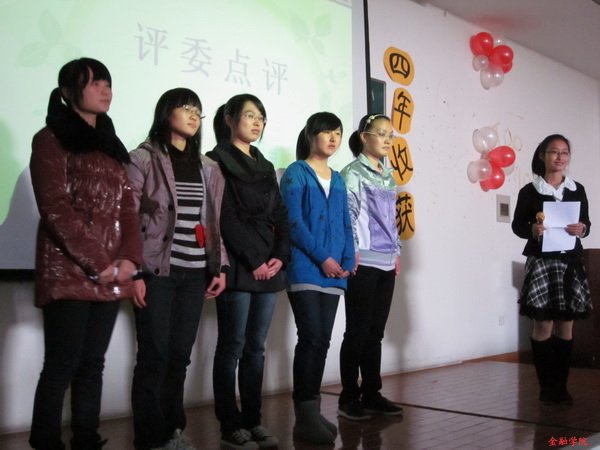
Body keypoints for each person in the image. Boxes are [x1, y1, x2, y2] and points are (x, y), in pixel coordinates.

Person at [28, 57, 142, 450]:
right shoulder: (50, 139)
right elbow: (55, 207)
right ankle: (45, 441)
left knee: (93, 364)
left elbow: (128, 209)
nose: (105, 90)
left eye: (107, 83)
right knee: (62, 364)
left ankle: (86, 439)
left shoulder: (111, 145)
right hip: (68, 271)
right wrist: (100, 262)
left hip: (110, 274)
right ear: (67, 92)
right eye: (95, 83)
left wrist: (130, 259)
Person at [127, 88, 229, 450]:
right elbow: (128, 217)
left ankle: (172, 430)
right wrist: (135, 271)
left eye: (198, 110)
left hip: (195, 272)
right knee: (153, 355)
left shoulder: (208, 167)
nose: (193, 115)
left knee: (179, 357)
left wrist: (220, 266)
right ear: (165, 112)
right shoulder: (142, 158)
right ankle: (150, 437)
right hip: (157, 272)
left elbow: (214, 221)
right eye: (185, 108)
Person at [206, 94, 290, 449]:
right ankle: (230, 425)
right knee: (232, 348)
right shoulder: (215, 161)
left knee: (256, 348)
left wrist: (279, 257)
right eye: (250, 115)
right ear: (229, 118)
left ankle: (253, 421)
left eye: (261, 118)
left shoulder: (266, 165)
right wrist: (255, 260)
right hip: (238, 266)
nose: (257, 123)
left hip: (269, 266)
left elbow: (280, 215)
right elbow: (223, 216)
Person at [279, 112, 355, 444]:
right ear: (311, 135)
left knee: (322, 340)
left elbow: (346, 223)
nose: (333, 138)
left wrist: (348, 259)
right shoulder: (296, 173)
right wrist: (323, 257)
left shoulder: (338, 179)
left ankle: (311, 412)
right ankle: (304, 416)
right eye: (326, 132)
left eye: (337, 132)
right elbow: (293, 222)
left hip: (335, 272)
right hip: (306, 267)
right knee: (311, 337)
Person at [512, 134, 592, 405]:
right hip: (542, 262)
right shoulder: (529, 190)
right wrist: (532, 230)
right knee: (543, 323)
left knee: (565, 325)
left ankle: (561, 386)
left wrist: (582, 228)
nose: (560, 157)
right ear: (542, 155)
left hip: (569, 262)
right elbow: (517, 226)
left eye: (564, 152)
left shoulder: (577, 189)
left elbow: (586, 222)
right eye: (554, 152)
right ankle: (546, 387)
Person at [337, 114, 404, 421]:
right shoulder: (352, 173)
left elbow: (392, 220)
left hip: (386, 261)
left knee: (375, 332)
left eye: (391, 135)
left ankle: (372, 393)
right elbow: (348, 215)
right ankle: (349, 396)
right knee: (357, 331)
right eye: (381, 134)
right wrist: (351, 251)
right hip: (362, 260)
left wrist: (397, 251)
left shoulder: (389, 176)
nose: (388, 140)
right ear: (364, 137)